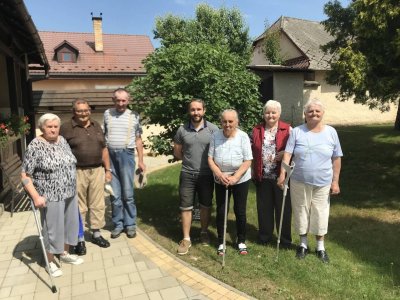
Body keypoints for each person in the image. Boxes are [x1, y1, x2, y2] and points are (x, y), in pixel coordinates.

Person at [277, 99, 343, 263]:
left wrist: (335, 182)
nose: (314, 113)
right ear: (305, 114)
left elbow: (336, 158)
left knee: (320, 212)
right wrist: (282, 174)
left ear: (322, 113)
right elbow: (287, 154)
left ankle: (320, 247)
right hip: (299, 180)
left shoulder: (331, 132)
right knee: (301, 210)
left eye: (317, 111)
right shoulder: (297, 132)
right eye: (310, 111)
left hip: (323, 182)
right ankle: (303, 244)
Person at [21, 113, 83, 278]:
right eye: (50, 126)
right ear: (42, 128)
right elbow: (25, 175)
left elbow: (69, 162)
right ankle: (49, 261)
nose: (53, 130)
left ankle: (64, 253)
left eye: (56, 126)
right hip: (50, 194)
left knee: (69, 224)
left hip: (69, 191)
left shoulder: (62, 141)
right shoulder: (35, 145)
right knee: (52, 229)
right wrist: (35, 197)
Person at [60, 99, 112, 252]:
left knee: (98, 204)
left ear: (90, 110)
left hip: (97, 170)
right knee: (79, 206)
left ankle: (96, 234)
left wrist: (108, 170)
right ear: (73, 112)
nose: (83, 113)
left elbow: (104, 150)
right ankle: (79, 238)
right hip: (77, 171)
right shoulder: (66, 128)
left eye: (86, 110)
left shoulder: (96, 125)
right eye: (80, 111)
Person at [173, 99, 219, 255]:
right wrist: (189, 161)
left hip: (206, 175)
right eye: (193, 109)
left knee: (205, 205)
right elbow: (177, 152)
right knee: (185, 206)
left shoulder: (213, 129)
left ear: (204, 111)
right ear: (189, 111)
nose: (196, 112)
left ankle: (204, 232)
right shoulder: (182, 130)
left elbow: (218, 152)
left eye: (199, 109)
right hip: (187, 174)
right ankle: (186, 239)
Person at [208, 109, 253, 255]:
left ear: (237, 122)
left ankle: (241, 241)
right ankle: (221, 242)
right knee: (222, 211)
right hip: (221, 178)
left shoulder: (243, 136)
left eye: (230, 121)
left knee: (240, 210)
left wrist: (235, 177)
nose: (227, 124)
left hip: (240, 179)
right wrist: (220, 174)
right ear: (220, 122)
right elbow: (210, 159)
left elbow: (247, 160)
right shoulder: (215, 136)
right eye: (224, 121)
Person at [103, 88, 146, 239]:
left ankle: (130, 224)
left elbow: (138, 139)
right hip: (110, 155)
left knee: (127, 194)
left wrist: (140, 160)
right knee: (114, 194)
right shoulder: (107, 114)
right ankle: (118, 224)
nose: (121, 103)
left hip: (126, 155)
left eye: (124, 100)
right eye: (118, 100)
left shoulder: (134, 116)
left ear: (128, 100)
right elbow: (104, 137)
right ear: (113, 100)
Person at [251, 100, 292, 247]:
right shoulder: (256, 130)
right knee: (264, 209)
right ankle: (264, 236)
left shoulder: (288, 129)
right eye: (267, 112)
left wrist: (285, 153)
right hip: (262, 176)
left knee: (283, 209)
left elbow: (295, 151)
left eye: (273, 112)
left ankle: (285, 239)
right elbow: (252, 152)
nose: (270, 115)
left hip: (282, 176)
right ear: (264, 114)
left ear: (279, 114)